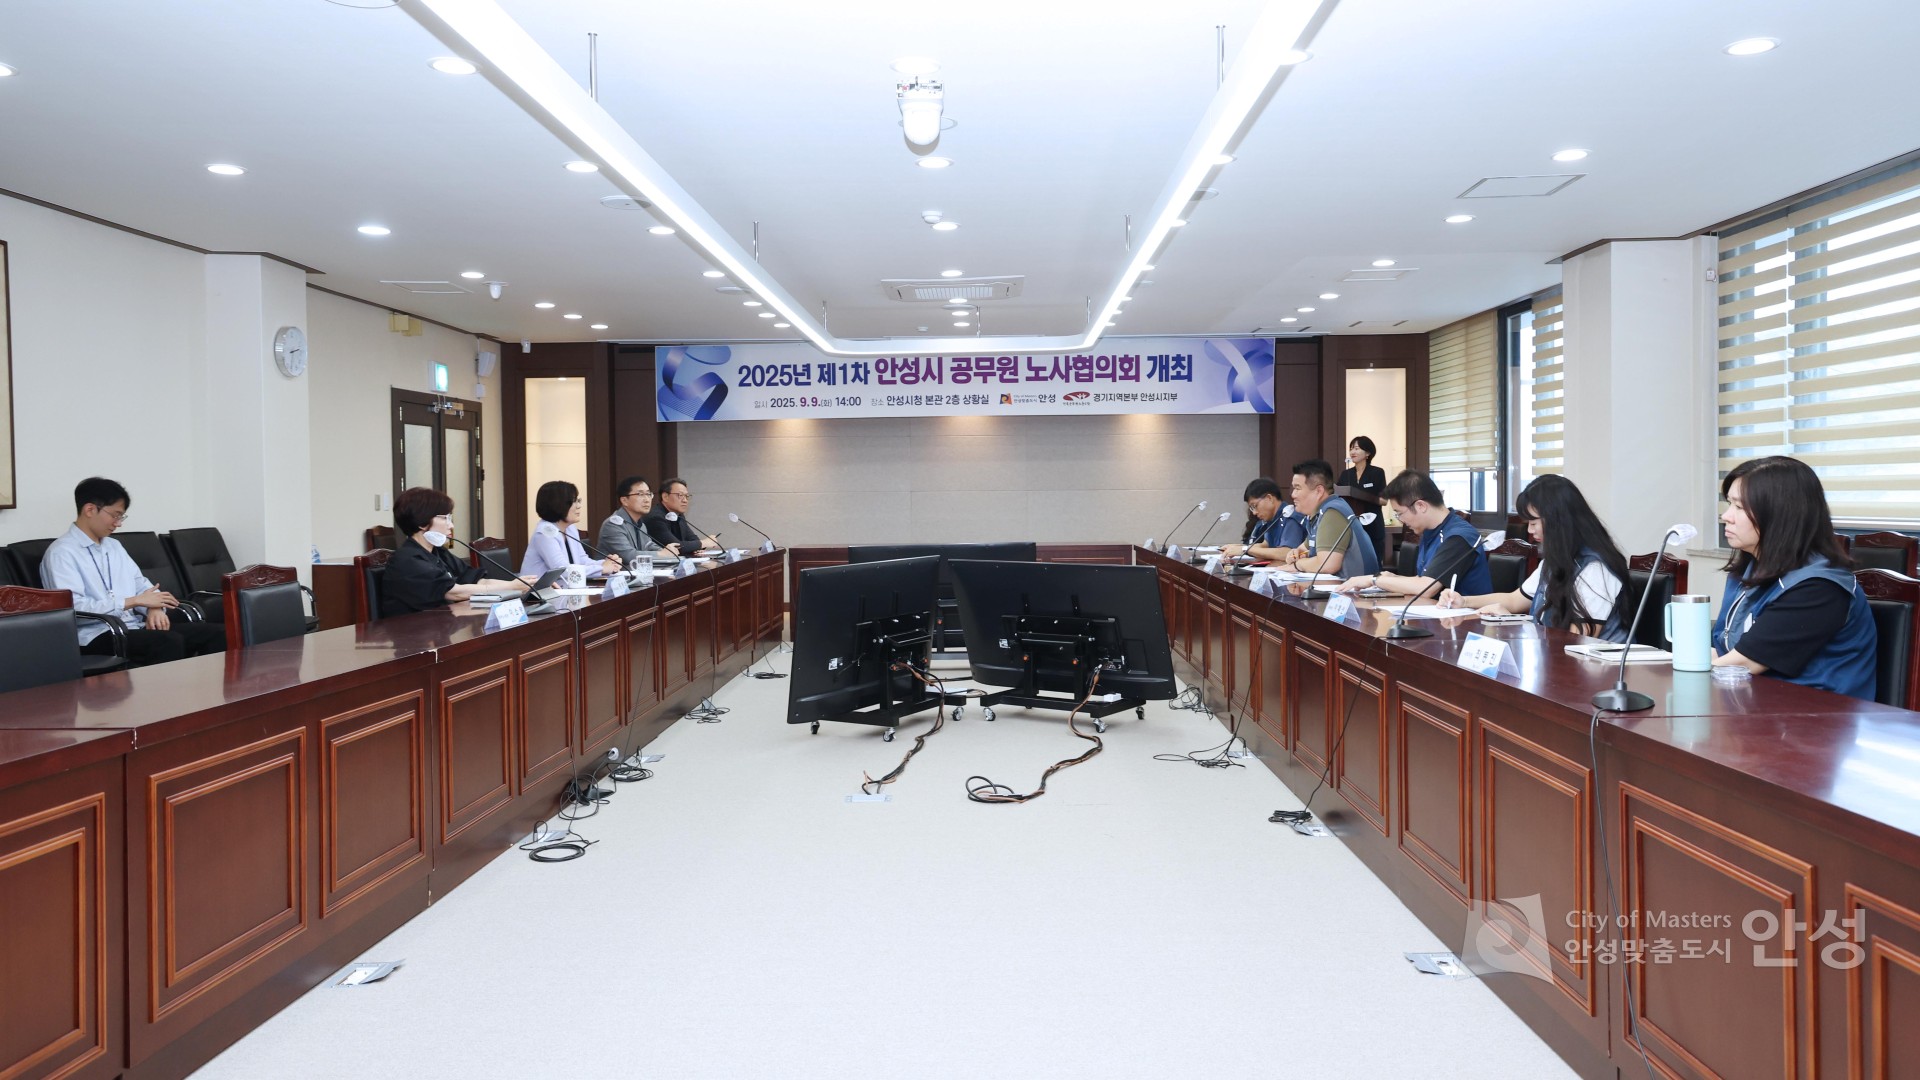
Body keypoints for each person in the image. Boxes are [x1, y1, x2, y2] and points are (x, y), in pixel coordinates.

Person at [1711, 456, 1877, 700]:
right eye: (1729, 504)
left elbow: (1741, 664)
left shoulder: (1818, 587)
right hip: (1757, 705)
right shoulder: (1749, 571)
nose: (1726, 516)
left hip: (1816, 716)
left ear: (1779, 514)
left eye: (1739, 507)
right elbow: (1723, 651)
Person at [40, 476, 226, 666]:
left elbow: (143, 586)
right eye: (115, 515)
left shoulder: (114, 547)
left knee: (218, 633)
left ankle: (205, 686)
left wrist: (154, 608)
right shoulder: (62, 553)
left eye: (121, 517)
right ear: (90, 509)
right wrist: (134, 601)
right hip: (95, 634)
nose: (118, 523)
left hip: (133, 627)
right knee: (167, 642)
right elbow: (74, 607)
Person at [1436, 475, 1629, 642]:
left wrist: (1514, 625)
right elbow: (1515, 599)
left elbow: (1576, 640)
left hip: (1596, 670)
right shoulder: (1556, 561)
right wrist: (1463, 601)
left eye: (1534, 522)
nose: (1529, 530)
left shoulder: (1595, 568)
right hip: (1557, 662)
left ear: (1558, 520)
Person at [381, 487, 532, 618]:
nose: (451, 525)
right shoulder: (407, 559)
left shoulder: (439, 552)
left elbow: (477, 581)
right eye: (445, 518)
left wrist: (521, 584)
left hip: (441, 625)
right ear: (422, 523)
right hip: (413, 633)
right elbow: (454, 592)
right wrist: (510, 587)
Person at [1340, 470, 1491, 598]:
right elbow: (1424, 579)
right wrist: (1394, 578)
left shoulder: (1459, 537)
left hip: (1466, 619)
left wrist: (1374, 580)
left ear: (1420, 506)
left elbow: (1426, 587)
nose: (1400, 520)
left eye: (1399, 513)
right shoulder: (1431, 531)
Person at [1264, 460, 1380, 577]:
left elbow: (1327, 564)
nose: (1293, 494)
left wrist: (1298, 565)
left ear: (1319, 491)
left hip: (1355, 587)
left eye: (1297, 488)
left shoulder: (1333, 513)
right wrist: (1295, 553)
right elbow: (1302, 549)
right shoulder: (1319, 514)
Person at [521, 480, 622, 579]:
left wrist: (607, 563)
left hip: (564, 587)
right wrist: (602, 568)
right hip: (539, 589)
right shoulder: (545, 532)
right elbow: (562, 571)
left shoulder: (570, 528)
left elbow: (582, 560)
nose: (579, 506)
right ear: (557, 504)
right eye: (574, 501)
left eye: (578, 501)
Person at [1222, 477, 1306, 560]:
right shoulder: (1272, 518)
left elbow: (1286, 553)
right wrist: (1236, 548)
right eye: (1251, 508)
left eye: (1254, 506)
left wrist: (1245, 550)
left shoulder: (1290, 517)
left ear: (1269, 498)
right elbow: (1265, 545)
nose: (1254, 513)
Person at [1336, 435, 1389, 558]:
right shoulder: (1346, 474)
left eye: (1357, 448)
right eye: (1351, 449)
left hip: (1373, 525)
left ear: (1368, 453)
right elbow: (1337, 495)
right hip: (1351, 525)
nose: (1352, 452)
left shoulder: (1377, 472)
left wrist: (1360, 495)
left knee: (1373, 560)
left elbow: (1384, 501)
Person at [599, 475, 664, 564]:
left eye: (648, 494)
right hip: (614, 572)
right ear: (624, 500)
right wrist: (661, 554)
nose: (647, 500)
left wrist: (668, 552)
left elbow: (649, 546)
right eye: (640, 494)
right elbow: (629, 556)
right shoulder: (612, 525)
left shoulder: (640, 524)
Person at [644, 477, 718, 552]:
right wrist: (704, 543)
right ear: (665, 497)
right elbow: (677, 547)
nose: (685, 500)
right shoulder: (655, 518)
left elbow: (693, 539)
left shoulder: (678, 515)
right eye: (680, 495)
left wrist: (697, 547)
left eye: (687, 496)